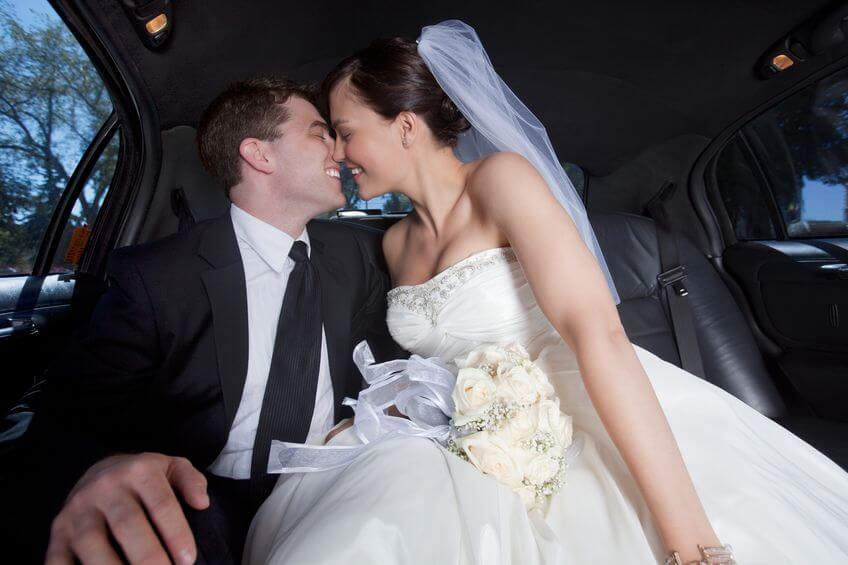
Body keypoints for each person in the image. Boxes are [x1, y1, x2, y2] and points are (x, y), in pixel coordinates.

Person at [244, 21, 848, 564]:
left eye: (346, 132)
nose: (339, 154)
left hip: (577, 402)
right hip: (459, 431)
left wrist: (690, 541)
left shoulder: (502, 179)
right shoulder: (395, 244)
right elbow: (434, 364)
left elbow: (599, 334)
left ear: (404, 125)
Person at [32, 77, 403, 564]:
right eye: (319, 132)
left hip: (336, 482)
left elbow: (392, 363)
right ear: (259, 155)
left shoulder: (361, 255)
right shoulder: (157, 277)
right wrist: (101, 469)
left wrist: (363, 418)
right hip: (210, 498)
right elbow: (63, 421)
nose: (338, 148)